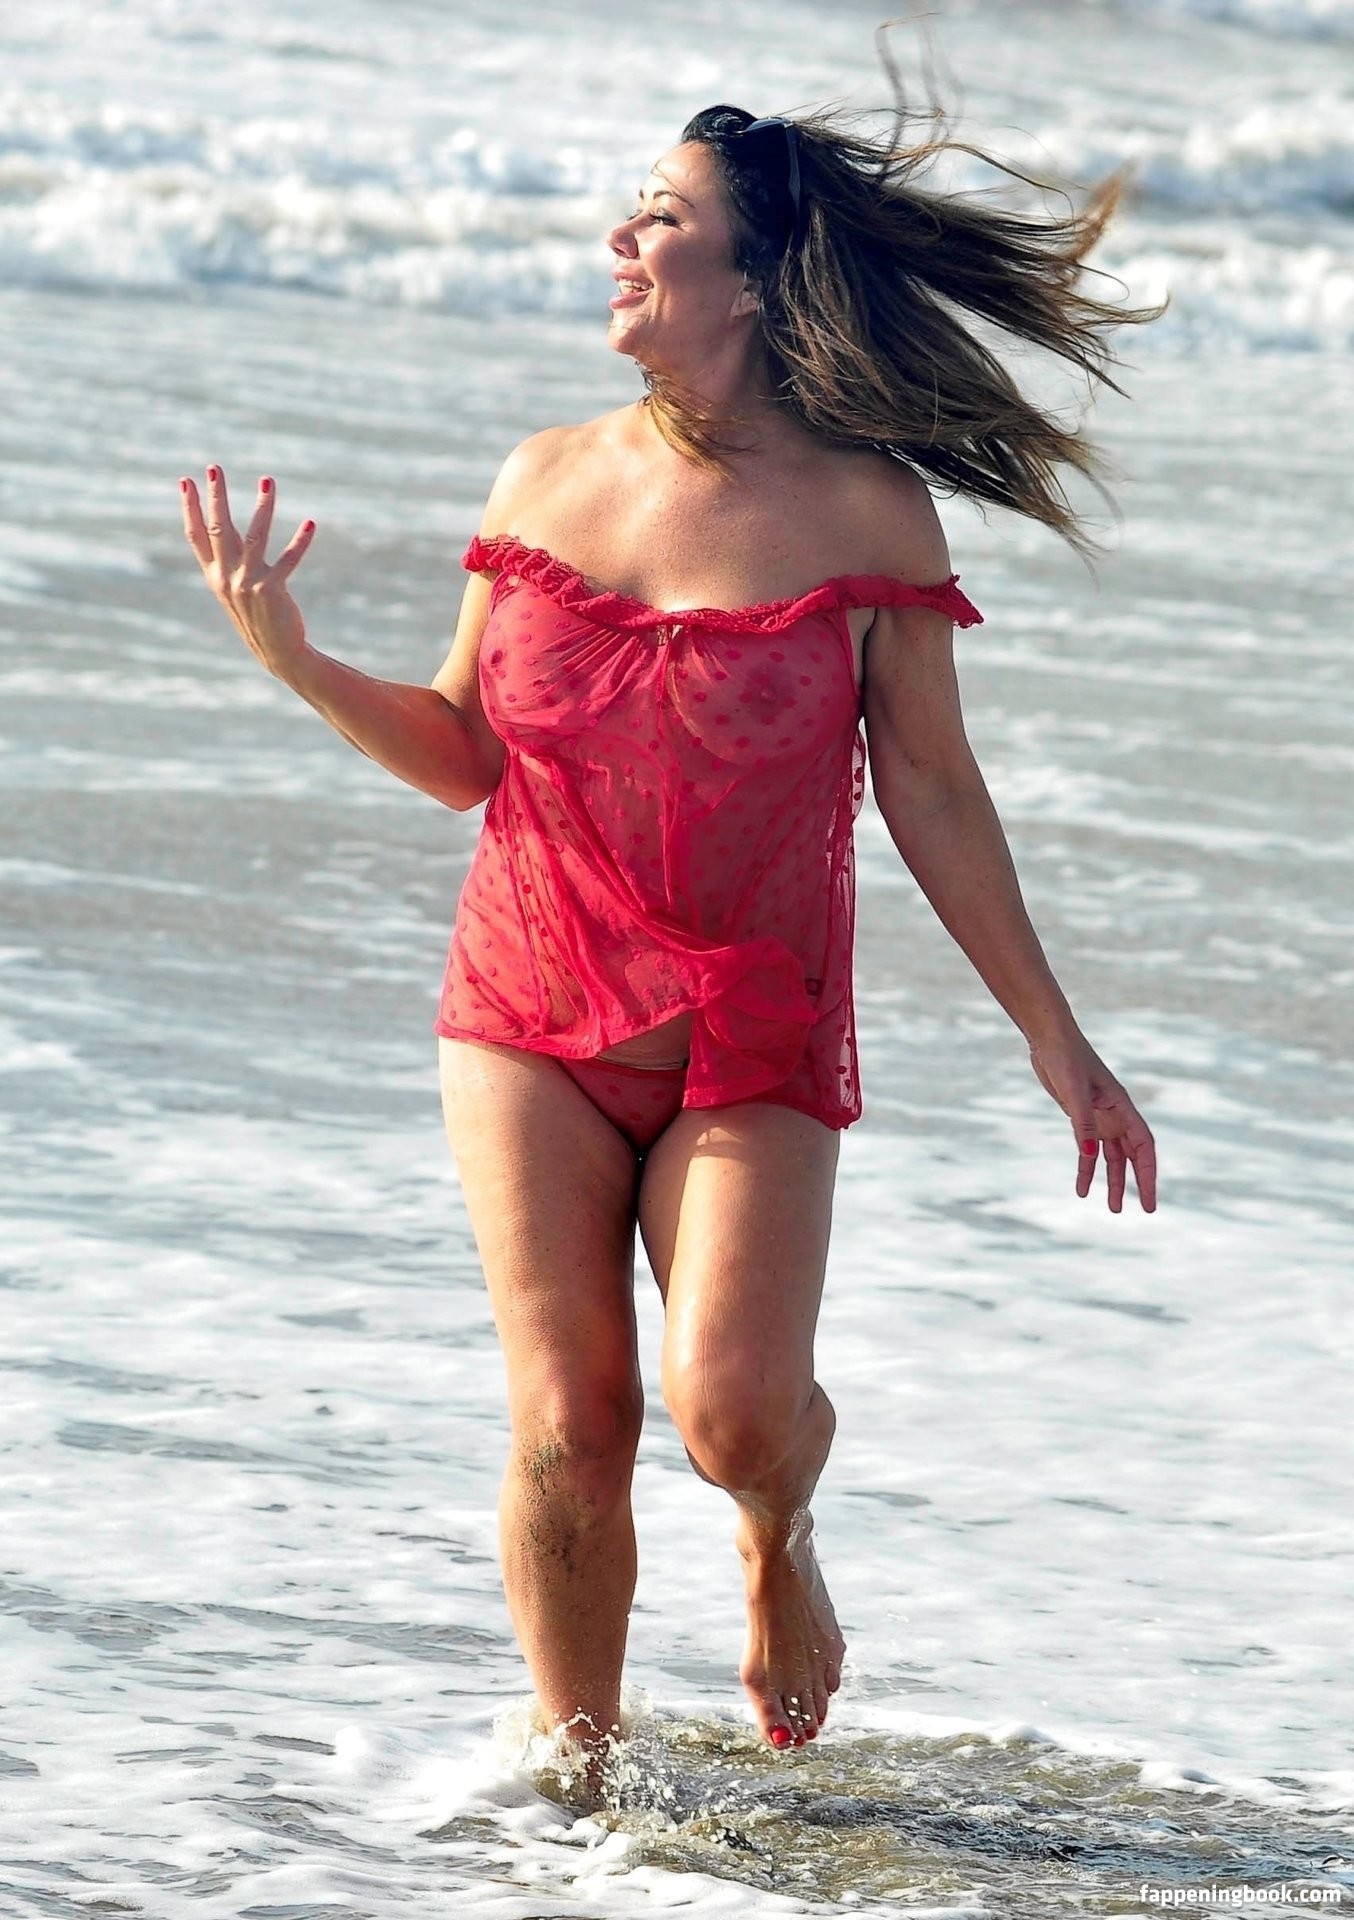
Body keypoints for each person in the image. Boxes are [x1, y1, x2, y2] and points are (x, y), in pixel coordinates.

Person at [180, 96, 1159, 1796]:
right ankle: (579, 1797)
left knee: (729, 1415)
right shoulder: (544, 475)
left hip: (750, 1025)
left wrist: (1051, 1039)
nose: (618, 242)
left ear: (756, 281)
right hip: (529, 1004)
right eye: (630, 213)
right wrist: (297, 659)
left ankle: (778, 1534)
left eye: (659, 219)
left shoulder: (867, 515)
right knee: (572, 1424)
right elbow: (464, 754)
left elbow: (930, 789)